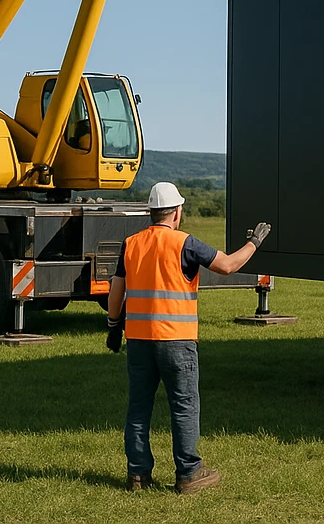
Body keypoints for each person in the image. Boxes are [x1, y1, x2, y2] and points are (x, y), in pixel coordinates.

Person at [106, 180, 271, 493]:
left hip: (139, 340)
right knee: (183, 406)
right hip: (177, 341)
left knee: (139, 407)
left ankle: (138, 475)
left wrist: (114, 325)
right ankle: (189, 474)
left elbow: (117, 288)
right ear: (177, 212)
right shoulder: (186, 243)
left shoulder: (131, 243)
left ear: (151, 213)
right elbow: (227, 265)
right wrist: (253, 243)